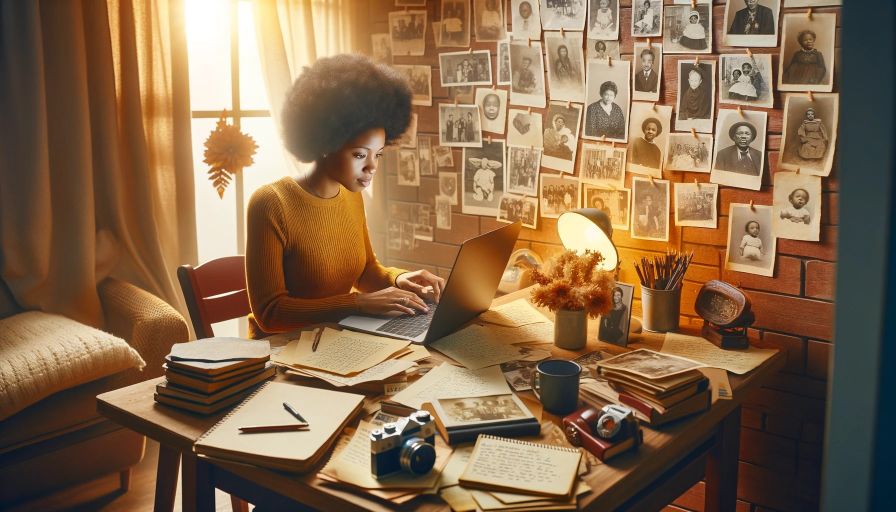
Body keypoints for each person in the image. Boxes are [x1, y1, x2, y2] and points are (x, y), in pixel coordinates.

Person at [246, 54, 444, 338]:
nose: (372, 167)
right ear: (327, 142)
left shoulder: (351, 194)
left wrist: (400, 279)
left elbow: (364, 272)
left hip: (335, 339)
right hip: (280, 351)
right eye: (360, 155)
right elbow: (270, 314)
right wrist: (358, 303)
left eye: (378, 155)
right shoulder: (271, 203)